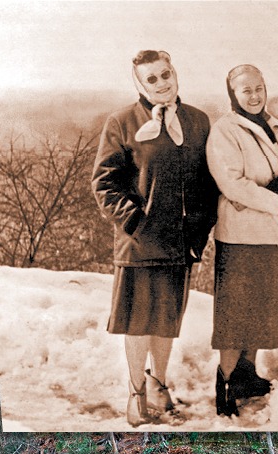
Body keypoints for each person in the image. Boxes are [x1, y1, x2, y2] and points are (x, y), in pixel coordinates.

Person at [92, 49, 217, 426]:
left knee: (166, 320)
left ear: (174, 73)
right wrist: (134, 222)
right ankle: (135, 393)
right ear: (140, 83)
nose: (162, 83)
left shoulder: (197, 121)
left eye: (166, 74)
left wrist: (199, 230)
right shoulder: (123, 122)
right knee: (137, 322)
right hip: (139, 242)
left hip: (180, 243)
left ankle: (159, 383)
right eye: (152, 79)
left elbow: (208, 185)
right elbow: (104, 183)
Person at [206, 64, 278, 416]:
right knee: (237, 313)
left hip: (273, 234)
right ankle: (227, 381)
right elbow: (231, 182)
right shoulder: (225, 130)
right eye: (245, 90)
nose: (254, 95)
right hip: (241, 236)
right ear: (233, 94)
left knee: (260, 308)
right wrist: (276, 201)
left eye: (259, 87)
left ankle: (247, 374)